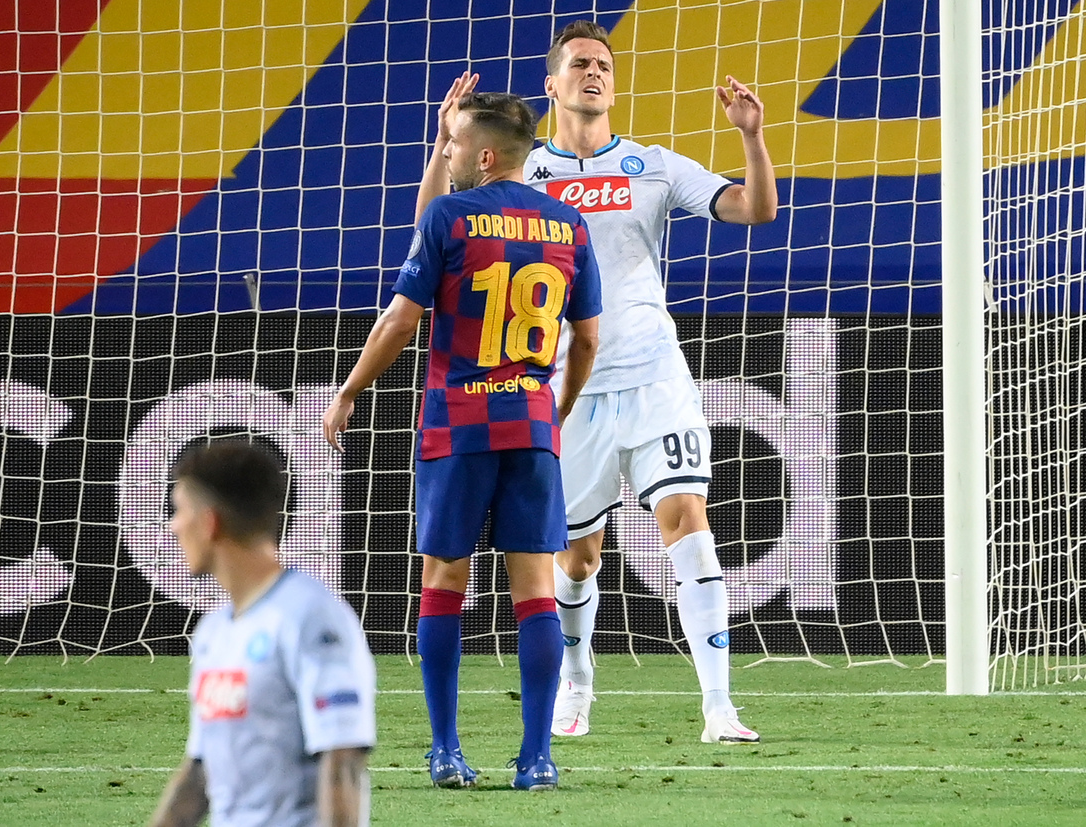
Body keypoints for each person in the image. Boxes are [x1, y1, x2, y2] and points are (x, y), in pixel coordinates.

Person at [416, 20, 777, 744]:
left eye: (603, 64)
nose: (594, 72)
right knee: (576, 557)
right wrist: (440, 145)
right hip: (566, 386)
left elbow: (755, 208)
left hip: (654, 377)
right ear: (551, 86)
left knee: (690, 527)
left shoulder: (654, 166)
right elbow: (434, 223)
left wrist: (751, 136)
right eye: (579, 63)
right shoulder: (525, 174)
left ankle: (719, 707)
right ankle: (577, 685)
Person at [323, 90, 602, 791]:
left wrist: (349, 389)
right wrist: (555, 408)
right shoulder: (569, 223)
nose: (445, 158)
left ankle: (446, 749)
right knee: (536, 585)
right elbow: (590, 337)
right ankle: (537, 758)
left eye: (451, 148)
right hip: (532, 425)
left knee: (445, 578)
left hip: (458, 422)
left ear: (482, 155)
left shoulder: (450, 215)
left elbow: (400, 321)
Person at [149, 441, 375, 827]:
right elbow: (201, 772)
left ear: (209, 522)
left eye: (179, 511)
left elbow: (343, 761)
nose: (172, 527)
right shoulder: (213, 632)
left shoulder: (311, 618)